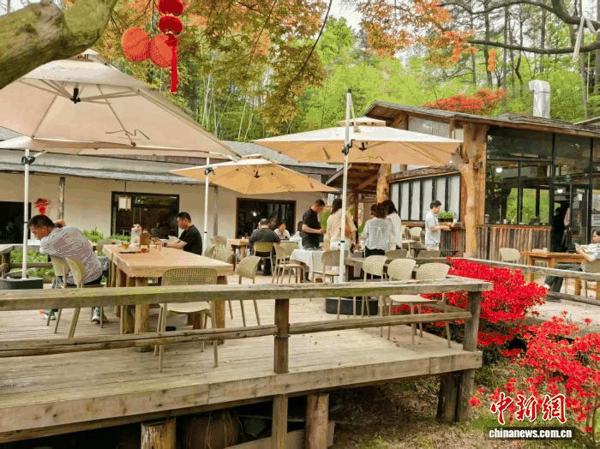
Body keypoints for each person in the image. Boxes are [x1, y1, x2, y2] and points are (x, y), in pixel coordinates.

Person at [28, 215, 104, 323]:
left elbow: (43, 250)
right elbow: (61, 222)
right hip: (96, 276)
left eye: (35, 232)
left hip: (76, 281)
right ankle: (97, 309)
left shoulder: (46, 242)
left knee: (58, 280)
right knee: (85, 271)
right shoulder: (73, 229)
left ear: (44, 228)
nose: (35, 237)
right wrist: (52, 225)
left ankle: (51, 310)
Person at [544, 228, 600, 297]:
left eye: (595, 236)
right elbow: (589, 248)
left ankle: (547, 289)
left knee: (559, 270)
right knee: (558, 267)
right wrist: (581, 248)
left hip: (588, 271)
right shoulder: (595, 246)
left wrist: (581, 252)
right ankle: (548, 288)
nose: (593, 238)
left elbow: (591, 259)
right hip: (584, 268)